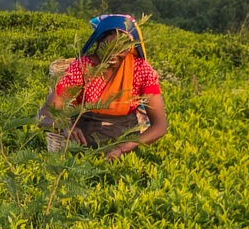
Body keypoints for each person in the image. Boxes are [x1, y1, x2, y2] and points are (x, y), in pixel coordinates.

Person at [39, 14, 168, 158]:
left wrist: (124, 148)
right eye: (108, 46)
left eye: (121, 49)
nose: (113, 54)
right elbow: (45, 113)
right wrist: (64, 126)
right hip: (83, 145)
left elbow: (160, 126)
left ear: (129, 49)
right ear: (98, 43)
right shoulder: (83, 67)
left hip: (125, 145)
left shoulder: (140, 70)